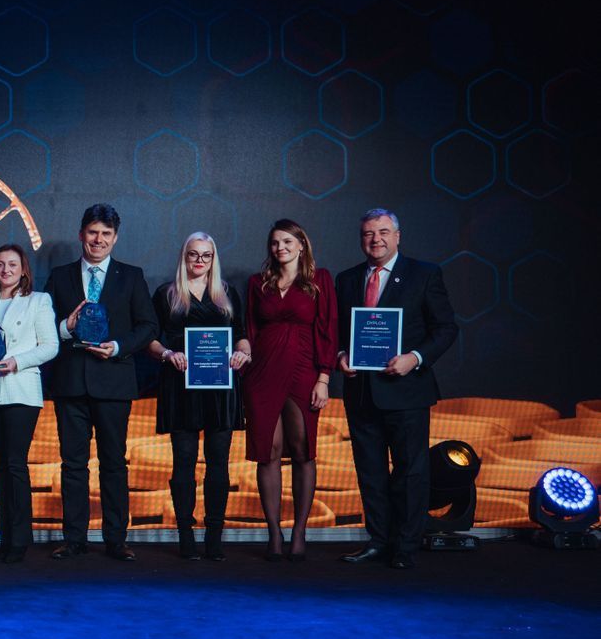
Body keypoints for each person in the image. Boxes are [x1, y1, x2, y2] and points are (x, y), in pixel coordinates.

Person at [335, 209, 459, 570]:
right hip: (361, 392)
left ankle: (405, 545)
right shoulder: (347, 279)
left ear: (398, 236)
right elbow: (339, 332)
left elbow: (446, 329)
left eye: (384, 232)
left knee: (410, 472)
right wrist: (341, 355)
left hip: (407, 390)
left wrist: (415, 358)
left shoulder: (424, 274)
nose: (376, 239)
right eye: (369, 233)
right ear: (361, 239)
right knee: (370, 473)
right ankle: (378, 541)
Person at [44, 204, 157, 562]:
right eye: (93, 232)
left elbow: (148, 326)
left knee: (114, 464)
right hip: (70, 383)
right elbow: (43, 328)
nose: (99, 239)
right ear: (81, 234)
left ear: (115, 238)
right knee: (72, 465)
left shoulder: (132, 276)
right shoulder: (59, 276)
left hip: (114, 381)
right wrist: (66, 328)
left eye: (106, 234)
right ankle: (74, 539)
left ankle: (116, 539)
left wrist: (119, 346)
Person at [147, 232, 250, 562]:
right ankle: (186, 535)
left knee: (218, 462)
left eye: (206, 255)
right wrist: (167, 354)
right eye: (194, 254)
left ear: (213, 258)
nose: (200, 261)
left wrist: (243, 354)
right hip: (181, 386)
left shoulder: (227, 293)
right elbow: (150, 339)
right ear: (184, 256)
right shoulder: (166, 294)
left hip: (220, 387)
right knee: (184, 461)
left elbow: (242, 336)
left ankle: (214, 536)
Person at [242, 219, 338, 562]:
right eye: (274, 242)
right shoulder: (258, 283)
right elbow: (249, 329)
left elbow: (328, 329)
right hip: (262, 374)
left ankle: (299, 531)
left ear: (301, 244)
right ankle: (274, 532)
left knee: (302, 450)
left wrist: (323, 378)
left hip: (303, 372)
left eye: (286, 241)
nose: (280, 247)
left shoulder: (319, 280)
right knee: (268, 451)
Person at [0, 244, 59, 563]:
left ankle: (19, 541)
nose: (6, 270)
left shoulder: (38, 300)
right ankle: (5, 539)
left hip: (20, 390)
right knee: (0, 467)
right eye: (0, 265)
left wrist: (16, 362)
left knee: (15, 464)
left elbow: (50, 346)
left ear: (23, 270)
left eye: (12, 264)